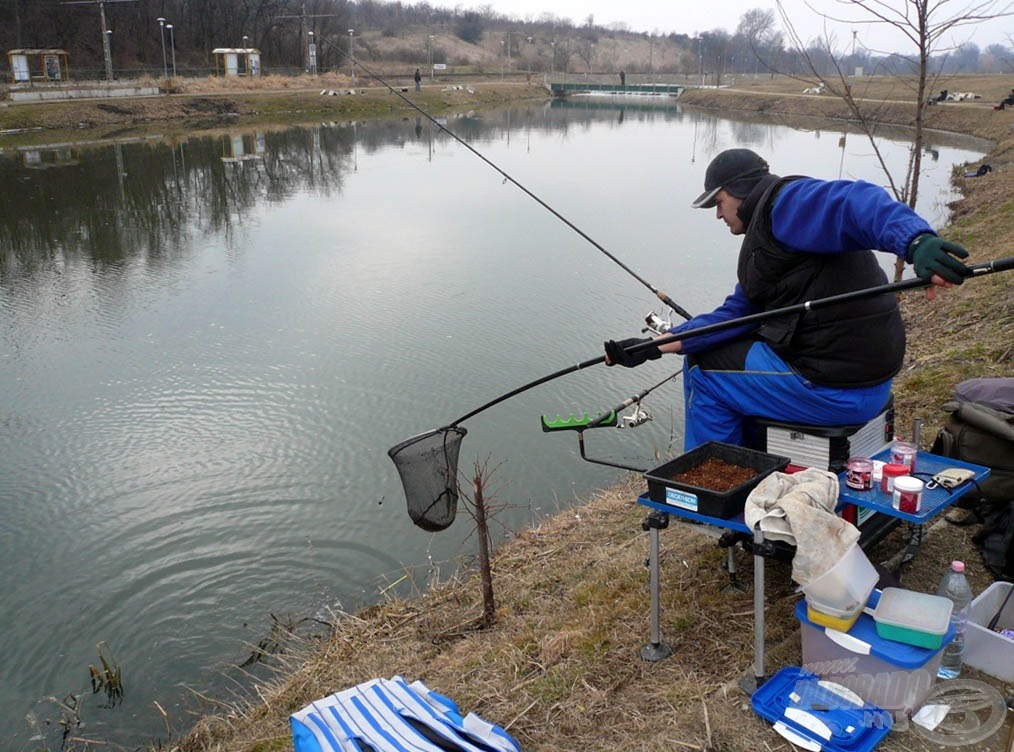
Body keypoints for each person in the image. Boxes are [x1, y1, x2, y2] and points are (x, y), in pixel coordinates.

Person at [604, 148, 972, 450]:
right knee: (730, 345)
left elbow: (854, 201)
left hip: (834, 392)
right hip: (870, 386)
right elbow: (736, 315)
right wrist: (654, 347)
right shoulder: (769, 239)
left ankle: (711, 482)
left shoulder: (785, 204)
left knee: (704, 368)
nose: (717, 214)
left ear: (739, 189)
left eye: (717, 202)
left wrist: (915, 241)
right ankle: (757, 464)